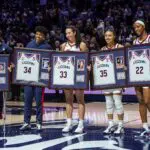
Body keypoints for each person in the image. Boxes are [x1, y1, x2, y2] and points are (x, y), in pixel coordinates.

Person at [20, 26, 52, 130]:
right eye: (37, 34)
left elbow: (50, 62)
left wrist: (49, 67)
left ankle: (39, 122)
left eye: (41, 35)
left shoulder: (47, 47)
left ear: (44, 37)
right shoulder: (29, 44)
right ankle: (26, 122)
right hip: (29, 78)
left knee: (39, 102)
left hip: (40, 79)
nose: (38, 36)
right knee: (27, 101)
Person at [61, 26, 88, 133]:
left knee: (80, 100)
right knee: (68, 100)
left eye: (69, 33)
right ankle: (69, 123)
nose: (67, 35)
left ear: (74, 33)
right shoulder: (63, 46)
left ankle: (80, 124)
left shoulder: (82, 45)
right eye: (66, 33)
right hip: (67, 76)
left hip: (78, 76)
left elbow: (86, 60)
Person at [101, 28, 124, 134]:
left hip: (117, 80)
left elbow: (125, 63)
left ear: (114, 36)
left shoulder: (120, 47)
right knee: (108, 103)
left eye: (109, 35)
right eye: (106, 36)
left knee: (118, 102)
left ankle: (120, 126)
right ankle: (110, 124)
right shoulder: (102, 50)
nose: (107, 37)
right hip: (107, 80)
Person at [133, 20, 150, 135]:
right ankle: (144, 126)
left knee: (148, 101)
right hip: (137, 75)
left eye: (138, 27)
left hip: (148, 74)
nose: (136, 29)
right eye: (135, 28)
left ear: (143, 27)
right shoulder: (135, 41)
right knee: (141, 101)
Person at [0, 33, 12, 119]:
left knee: (1, 93)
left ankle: (0, 112)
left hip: (2, 74)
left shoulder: (5, 47)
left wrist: (11, 64)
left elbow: (13, 56)